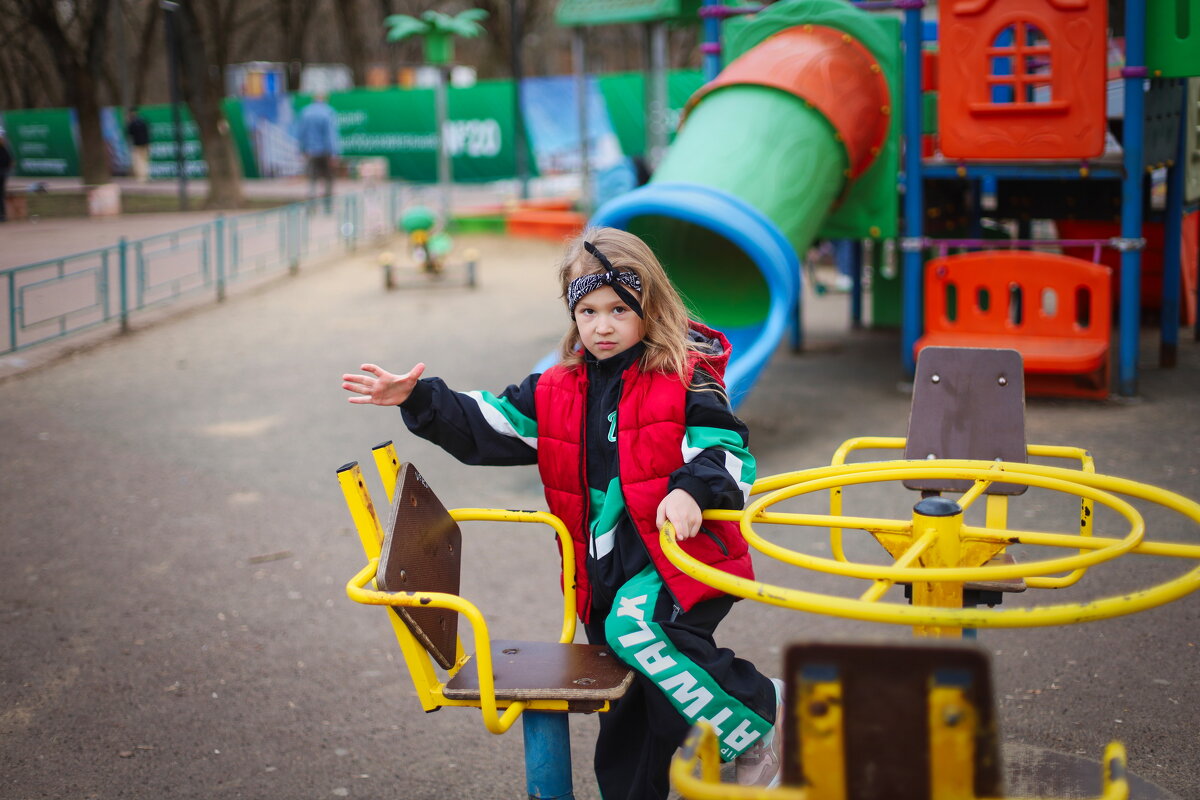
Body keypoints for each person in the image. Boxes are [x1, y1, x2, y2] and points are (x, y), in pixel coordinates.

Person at [341, 227, 783, 799]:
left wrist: (692, 491)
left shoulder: (684, 375)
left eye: (620, 309)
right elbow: (490, 423)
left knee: (638, 629)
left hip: (678, 557)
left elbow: (727, 452)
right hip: (604, 574)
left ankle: (758, 719)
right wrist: (418, 398)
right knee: (632, 710)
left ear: (650, 308)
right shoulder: (557, 389)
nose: (602, 326)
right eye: (588, 310)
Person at [296, 93, 339, 213]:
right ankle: (328, 207)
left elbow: (301, 133)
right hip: (325, 152)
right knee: (328, 179)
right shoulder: (328, 112)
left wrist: (302, 149)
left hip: (310, 151)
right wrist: (334, 154)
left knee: (312, 179)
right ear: (324, 100)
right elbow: (331, 135)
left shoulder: (305, 112)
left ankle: (311, 207)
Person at [125, 108, 150, 183]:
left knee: (138, 161)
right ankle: (145, 176)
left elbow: (129, 134)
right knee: (144, 161)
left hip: (137, 145)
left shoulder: (132, 123)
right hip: (145, 144)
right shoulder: (143, 121)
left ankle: (141, 177)